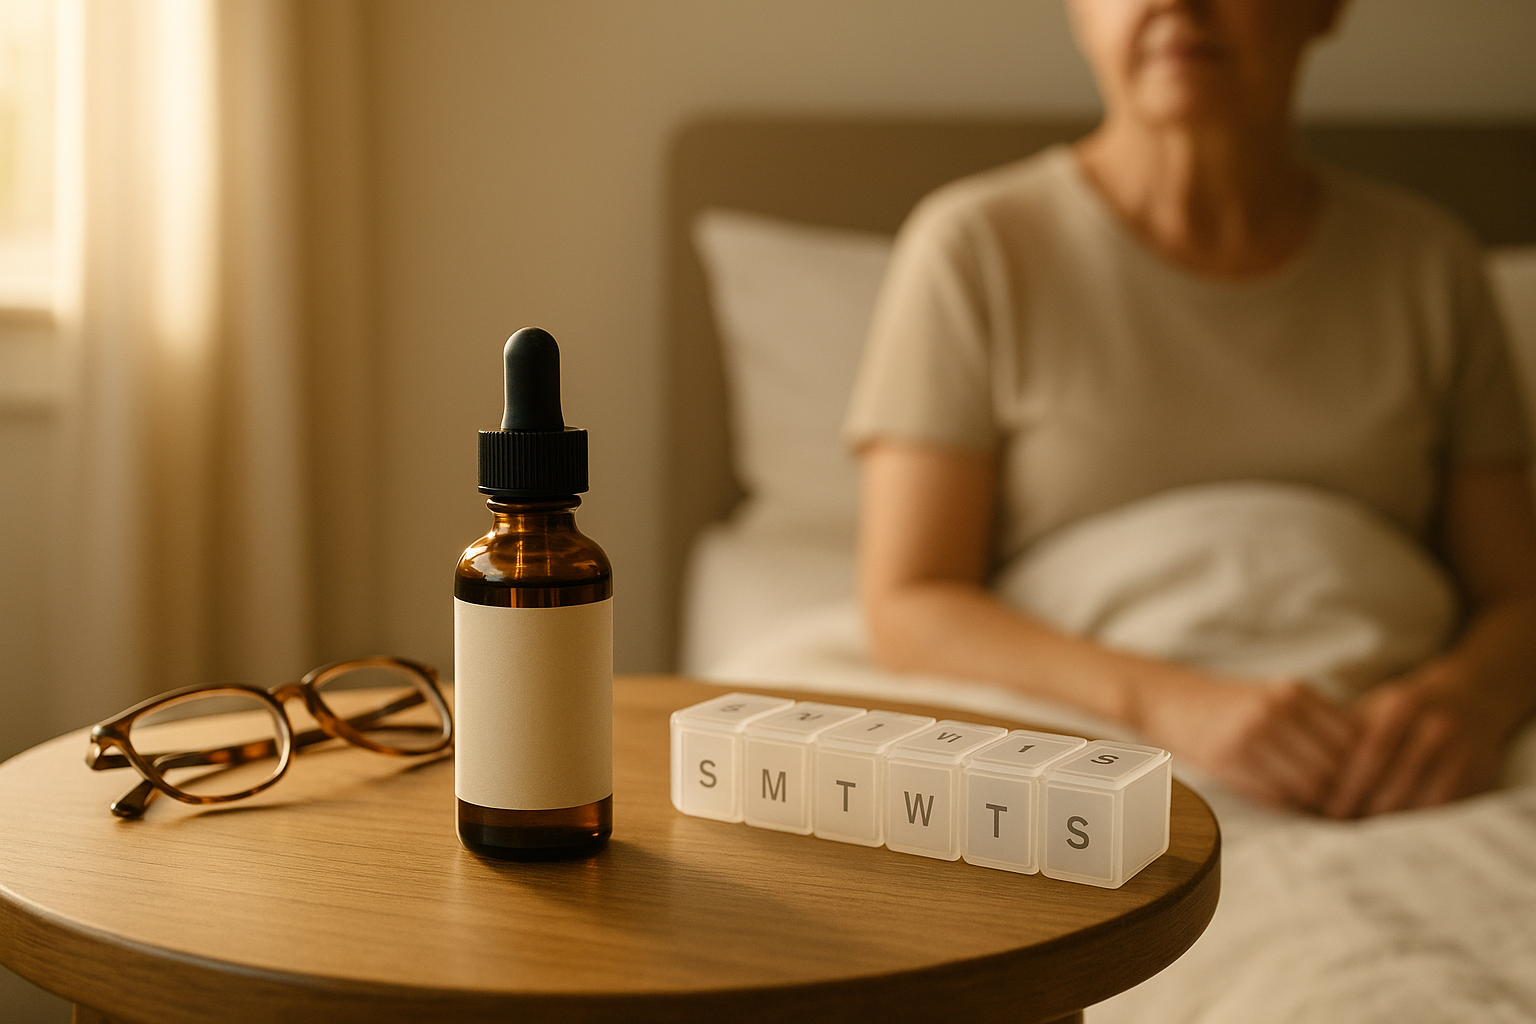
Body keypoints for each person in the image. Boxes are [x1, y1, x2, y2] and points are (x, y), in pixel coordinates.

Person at [846, 0, 1536, 817]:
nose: (1178, 4)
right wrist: (1173, 704)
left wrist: (1467, 699)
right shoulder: (977, 247)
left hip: (1382, 766)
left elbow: (1516, 595)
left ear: (1324, 10)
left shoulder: (1429, 263)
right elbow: (912, 603)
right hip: (1104, 750)